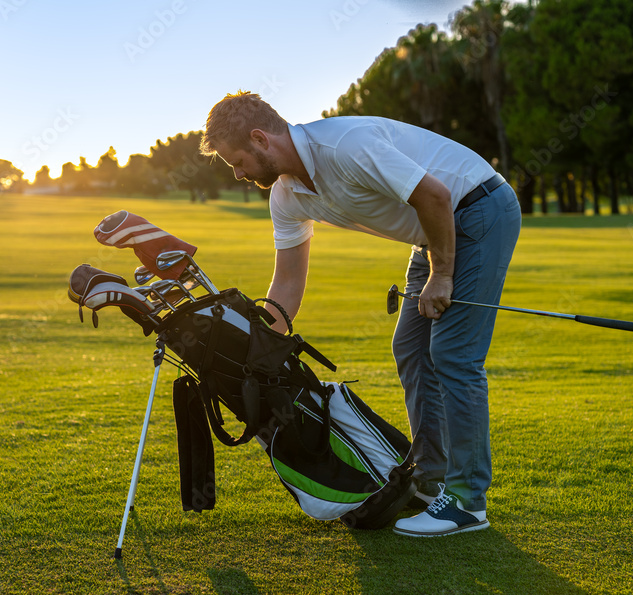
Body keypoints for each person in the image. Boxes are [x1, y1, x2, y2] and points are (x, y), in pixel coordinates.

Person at [199, 91, 522, 537]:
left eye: (238, 161)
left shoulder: (344, 145)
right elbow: (289, 281)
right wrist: (259, 345)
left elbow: (435, 194)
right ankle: (430, 483)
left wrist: (442, 276)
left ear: (259, 138)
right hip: (431, 232)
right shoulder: (285, 196)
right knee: (411, 347)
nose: (237, 174)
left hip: (477, 207)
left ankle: (468, 502)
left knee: (452, 353)